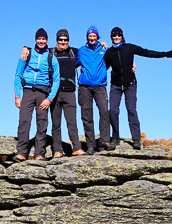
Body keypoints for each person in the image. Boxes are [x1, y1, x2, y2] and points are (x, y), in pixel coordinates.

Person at [104, 27, 172, 150]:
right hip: (116, 85)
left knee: (131, 110)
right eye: (114, 36)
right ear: (111, 37)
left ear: (122, 36)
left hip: (130, 84)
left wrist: (165, 54)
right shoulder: (109, 53)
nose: (116, 38)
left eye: (118, 35)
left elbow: (147, 53)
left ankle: (136, 139)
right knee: (113, 111)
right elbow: (102, 68)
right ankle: (115, 137)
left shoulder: (130, 48)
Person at [22, 29, 84, 157]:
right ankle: (57, 150)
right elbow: (38, 48)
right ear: (56, 40)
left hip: (70, 92)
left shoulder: (74, 52)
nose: (63, 42)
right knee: (56, 123)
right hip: (54, 92)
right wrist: (25, 48)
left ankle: (76, 147)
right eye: (60, 40)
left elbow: (89, 51)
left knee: (72, 122)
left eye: (65, 40)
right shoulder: (51, 52)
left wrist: (102, 45)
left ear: (68, 40)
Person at [13, 28, 61, 162]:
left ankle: (39, 153)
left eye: (43, 39)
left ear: (47, 40)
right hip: (27, 91)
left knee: (42, 124)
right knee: (24, 122)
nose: (41, 41)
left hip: (43, 93)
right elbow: (18, 75)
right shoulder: (27, 55)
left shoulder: (52, 58)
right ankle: (21, 152)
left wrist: (49, 99)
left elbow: (56, 80)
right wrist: (18, 96)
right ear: (35, 39)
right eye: (39, 38)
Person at [76, 26, 112, 154]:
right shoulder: (81, 51)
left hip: (100, 86)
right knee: (87, 116)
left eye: (94, 36)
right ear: (87, 37)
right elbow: (71, 63)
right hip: (84, 87)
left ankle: (105, 141)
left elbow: (115, 59)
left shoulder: (103, 49)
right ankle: (90, 145)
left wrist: (131, 65)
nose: (92, 38)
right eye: (90, 36)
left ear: (97, 37)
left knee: (104, 112)